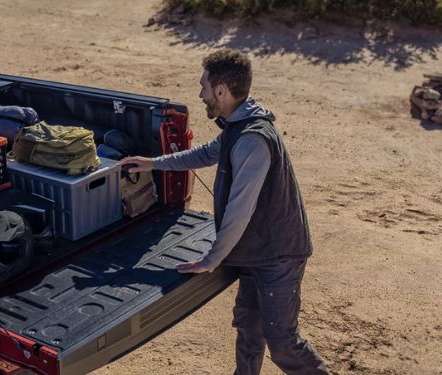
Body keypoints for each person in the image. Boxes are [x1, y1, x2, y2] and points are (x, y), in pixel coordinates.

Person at [119, 49, 329, 375]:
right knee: (249, 330)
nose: (200, 93)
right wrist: (153, 163)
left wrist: (211, 259)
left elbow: (239, 212)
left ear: (221, 90)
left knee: (282, 340)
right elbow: (205, 154)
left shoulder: (252, 140)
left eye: (203, 85)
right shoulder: (237, 124)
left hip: (277, 255)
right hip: (256, 251)